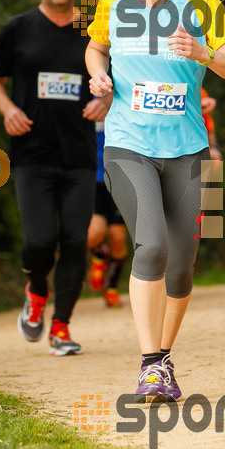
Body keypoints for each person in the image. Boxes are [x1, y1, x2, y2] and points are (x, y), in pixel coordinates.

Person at [85, 0, 225, 402]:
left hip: (187, 149)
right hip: (128, 144)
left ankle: (163, 359)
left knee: (180, 266)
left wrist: (204, 53)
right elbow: (96, 48)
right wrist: (97, 73)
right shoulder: (113, 3)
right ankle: (151, 364)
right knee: (151, 245)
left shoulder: (202, 2)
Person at [0, 0, 110, 355]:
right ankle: (37, 291)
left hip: (79, 154)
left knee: (75, 241)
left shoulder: (94, 32)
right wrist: (8, 109)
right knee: (39, 241)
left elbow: (117, 80)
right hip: (32, 154)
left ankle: (61, 328)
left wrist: (106, 101)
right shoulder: (18, 28)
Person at [87, 117, 128, 307]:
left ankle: (111, 287)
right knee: (93, 234)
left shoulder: (121, 93)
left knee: (117, 237)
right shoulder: (84, 97)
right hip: (90, 177)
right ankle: (99, 254)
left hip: (119, 176)